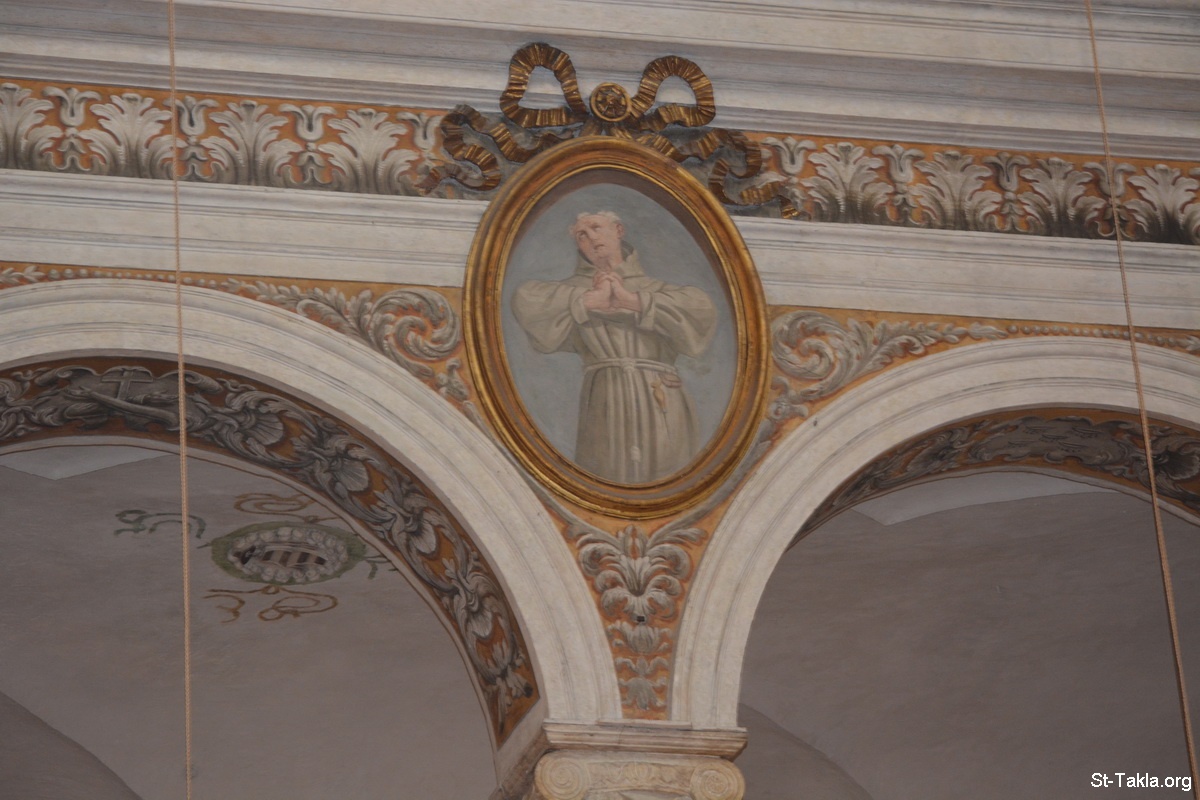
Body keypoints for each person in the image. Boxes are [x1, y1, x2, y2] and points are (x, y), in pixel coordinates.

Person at [512, 210, 717, 484]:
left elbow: (701, 310)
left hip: (661, 396)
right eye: (581, 235)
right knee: (606, 470)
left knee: (666, 472)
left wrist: (632, 300)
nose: (590, 238)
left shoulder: (655, 288)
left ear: (619, 231)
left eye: (596, 227)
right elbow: (527, 300)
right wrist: (587, 301)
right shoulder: (572, 290)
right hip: (605, 394)